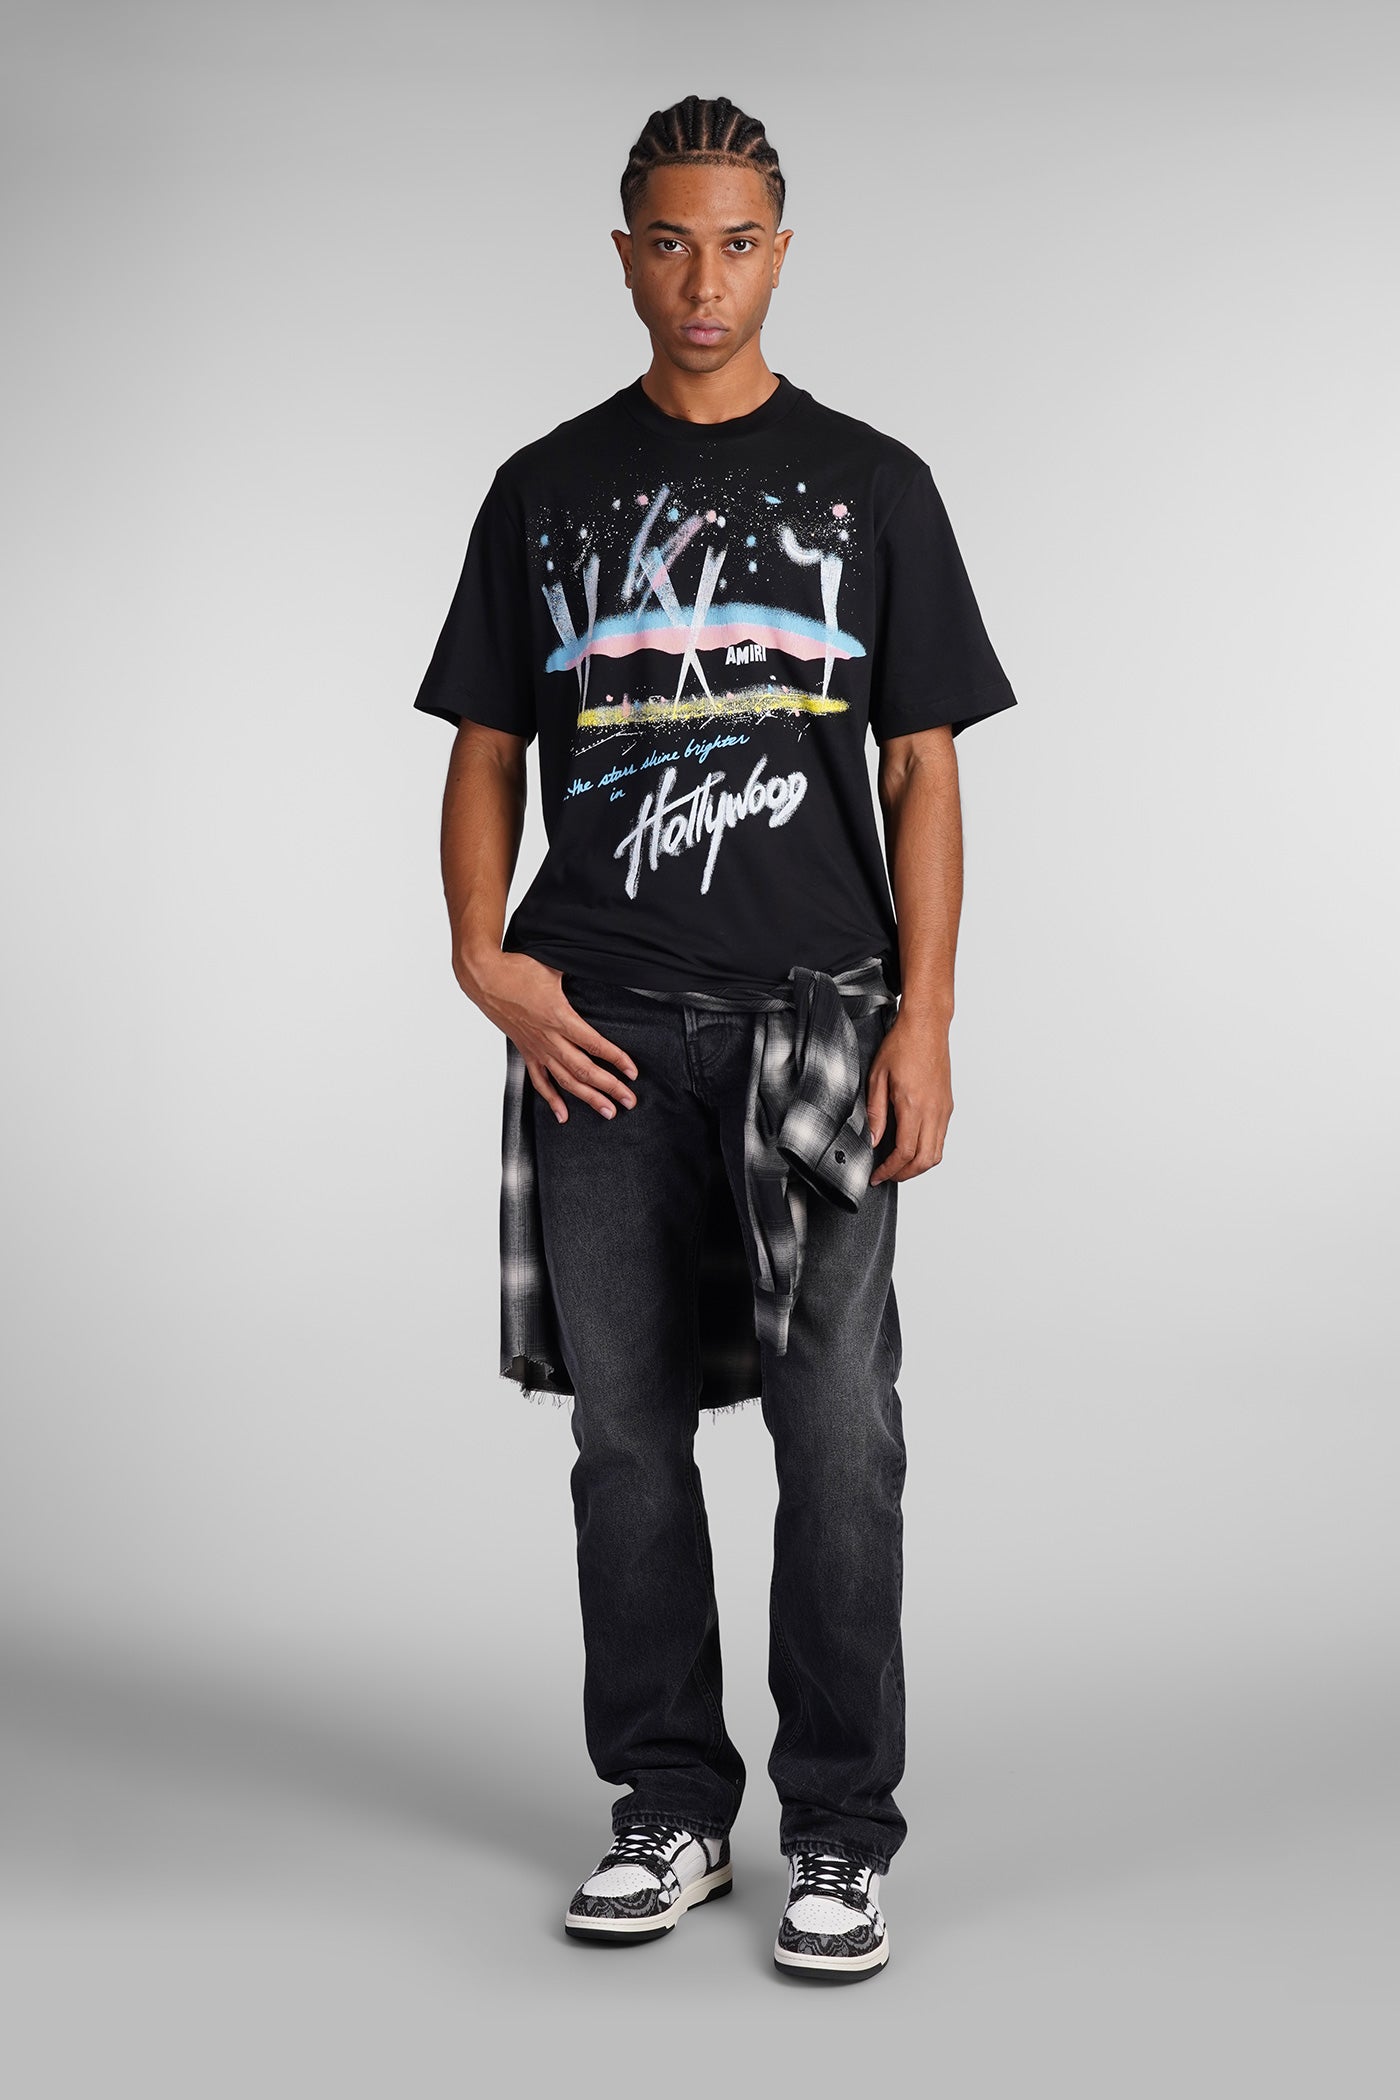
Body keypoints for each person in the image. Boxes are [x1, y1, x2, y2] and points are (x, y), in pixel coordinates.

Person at [413, 93, 1017, 1982]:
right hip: (595, 1032)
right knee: (626, 1439)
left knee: (839, 1439)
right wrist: (484, 960)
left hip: (816, 1023)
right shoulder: (542, 488)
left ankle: (838, 1833)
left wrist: (929, 1016)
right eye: (670, 242)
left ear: (781, 252)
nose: (703, 278)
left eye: (737, 242)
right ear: (623, 257)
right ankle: (667, 1805)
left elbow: (923, 773)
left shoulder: (875, 484)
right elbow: (484, 752)